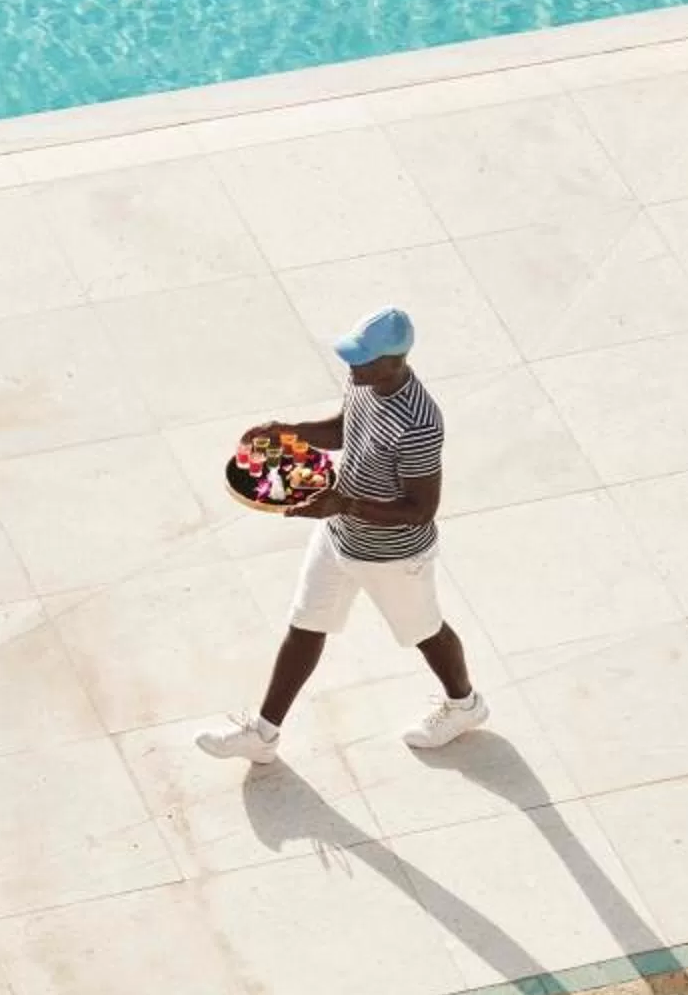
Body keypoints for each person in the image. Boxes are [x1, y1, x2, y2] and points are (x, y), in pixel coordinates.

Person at [196, 307, 487, 761]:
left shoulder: (419, 424)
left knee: (426, 632)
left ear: (393, 361)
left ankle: (464, 705)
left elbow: (421, 510)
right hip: (338, 536)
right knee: (305, 625)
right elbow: (343, 429)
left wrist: (343, 504)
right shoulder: (365, 382)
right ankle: (263, 735)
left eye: (361, 358)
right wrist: (289, 431)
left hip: (392, 556)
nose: (351, 365)